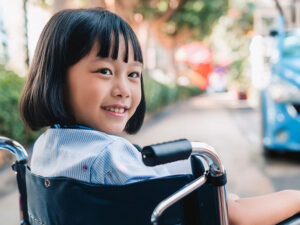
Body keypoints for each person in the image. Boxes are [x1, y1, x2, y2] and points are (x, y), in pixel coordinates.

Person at [19, 8, 300, 225]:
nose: (124, 90)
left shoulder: (43, 150)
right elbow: (232, 216)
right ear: (57, 77)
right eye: (105, 71)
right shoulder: (109, 158)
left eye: (133, 75)